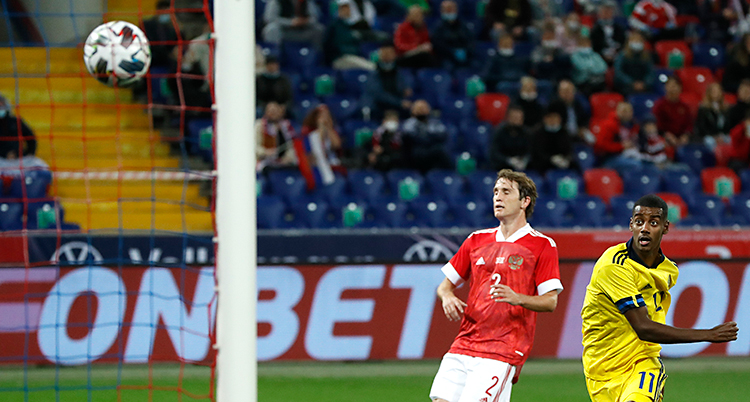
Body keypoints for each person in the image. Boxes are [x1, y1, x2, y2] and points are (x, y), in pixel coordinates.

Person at [581, 194, 738, 402]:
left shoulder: (668, 269)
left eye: (653, 222)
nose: (645, 228)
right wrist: (707, 334)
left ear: (665, 227)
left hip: (642, 362)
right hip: (601, 369)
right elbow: (643, 327)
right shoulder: (614, 266)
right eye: (639, 222)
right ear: (631, 225)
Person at [430, 169, 563, 402]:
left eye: (506, 192)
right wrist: (447, 296)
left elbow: (550, 301)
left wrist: (518, 297)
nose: (497, 197)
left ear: (525, 201)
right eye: (495, 192)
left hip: (502, 349)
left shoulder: (542, 245)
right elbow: (444, 286)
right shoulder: (476, 240)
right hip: (464, 343)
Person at [361, 45, 414, 120]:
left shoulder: (400, 73)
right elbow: (378, 94)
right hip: (378, 107)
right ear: (380, 55)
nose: (388, 55)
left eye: (390, 53)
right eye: (385, 53)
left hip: (396, 107)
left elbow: (407, 89)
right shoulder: (373, 73)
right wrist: (399, 102)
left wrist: (406, 89)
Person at [0, 95, 48, 174]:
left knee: (42, 168)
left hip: (19, 160)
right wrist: (4, 154)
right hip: (1, 161)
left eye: (1, 104)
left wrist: (23, 154)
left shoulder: (15, 122)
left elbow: (31, 139)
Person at [401, 100, 453, 172]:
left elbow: (443, 135)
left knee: (440, 150)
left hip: (430, 151)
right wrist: (429, 136)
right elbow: (411, 138)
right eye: (419, 108)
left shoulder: (434, 122)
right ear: (413, 111)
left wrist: (425, 136)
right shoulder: (409, 123)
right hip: (415, 152)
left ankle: (450, 174)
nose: (422, 111)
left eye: (424, 108)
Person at [324, 0, 377, 70]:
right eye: (343, 8)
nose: (346, 10)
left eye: (348, 8)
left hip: (352, 57)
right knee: (371, 67)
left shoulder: (350, 25)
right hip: (340, 58)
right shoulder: (334, 26)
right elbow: (328, 44)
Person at [300, 105, 344, 188]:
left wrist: (328, 128)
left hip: (332, 165)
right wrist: (321, 128)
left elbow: (336, 145)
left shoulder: (332, 132)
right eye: (322, 116)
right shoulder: (309, 133)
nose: (325, 118)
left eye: (327, 116)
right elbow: (318, 147)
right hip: (317, 166)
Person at [594, 101, 642, 170]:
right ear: (617, 111)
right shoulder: (608, 125)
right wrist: (621, 146)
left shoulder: (634, 125)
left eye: (629, 111)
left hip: (630, 153)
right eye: (624, 111)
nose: (627, 114)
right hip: (610, 158)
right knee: (636, 164)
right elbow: (602, 146)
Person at [431, 0, 475, 71]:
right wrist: (452, 52)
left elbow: (470, 40)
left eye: (451, 8)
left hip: (465, 56)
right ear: (442, 11)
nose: (449, 11)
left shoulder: (463, 25)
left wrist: (466, 51)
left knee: (474, 65)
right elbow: (438, 44)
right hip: (446, 58)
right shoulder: (438, 27)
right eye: (447, 9)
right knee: (448, 67)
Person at [652, 76, 693, 152]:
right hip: (665, 137)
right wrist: (666, 135)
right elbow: (657, 124)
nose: (672, 89)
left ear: (680, 88)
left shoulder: (684, 107)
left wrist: (685, 136)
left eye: (675, 86)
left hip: (681, 138)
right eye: (670, 86)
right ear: (665, 88)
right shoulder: (659, 105)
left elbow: (689, 125)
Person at [255, 102, 298, 172]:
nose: (273, 113)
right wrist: (265, 152)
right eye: (270, 111)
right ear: (266, 112)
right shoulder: (259, 126)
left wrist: (288, 157)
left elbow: (291, 145)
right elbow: (253, 147)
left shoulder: (286, 126)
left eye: (275, 111)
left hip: (283, 162)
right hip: (265, 161)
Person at [489, 105, 532, 171]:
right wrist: (508, 160)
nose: (516, 121)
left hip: (522, 167)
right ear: (508, 118)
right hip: (501, 167)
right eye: (514, 117)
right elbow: (494, 152)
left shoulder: (527, 133)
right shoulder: (499, 132)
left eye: (519, 118)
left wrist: (524, 160)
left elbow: (530, 151)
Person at [613, 30, 656, 96]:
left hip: (643, 85)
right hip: (626, 85)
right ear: (629, 42)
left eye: (639, 41)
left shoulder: (646, 56)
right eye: (635, 41)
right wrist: (631, 83)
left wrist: (645, 83)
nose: (637, 43)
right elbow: (618, 72)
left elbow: (650, 71)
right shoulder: (622, 55)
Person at [695, 82, 731, 151]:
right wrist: (714, 136)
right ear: (709, 93)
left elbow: (728, 126)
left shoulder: (725, 109)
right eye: (714, 91)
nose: (716, 94)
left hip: (722, 135)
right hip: (709, 136)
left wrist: (722, 136)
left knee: (731, 140)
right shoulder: (703, 109)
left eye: (718, 91)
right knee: (710, 142)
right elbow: (702, 127)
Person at [590, 0, 627, 65]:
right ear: (600, 12)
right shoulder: (594, 29)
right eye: (604, 10)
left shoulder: (619, 28)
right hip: (600, 57)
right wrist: (603, 54)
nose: (607, 13)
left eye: (609, 10)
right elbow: (594, 46)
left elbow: (622, 43)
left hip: (617, 56)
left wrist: (616, 52)